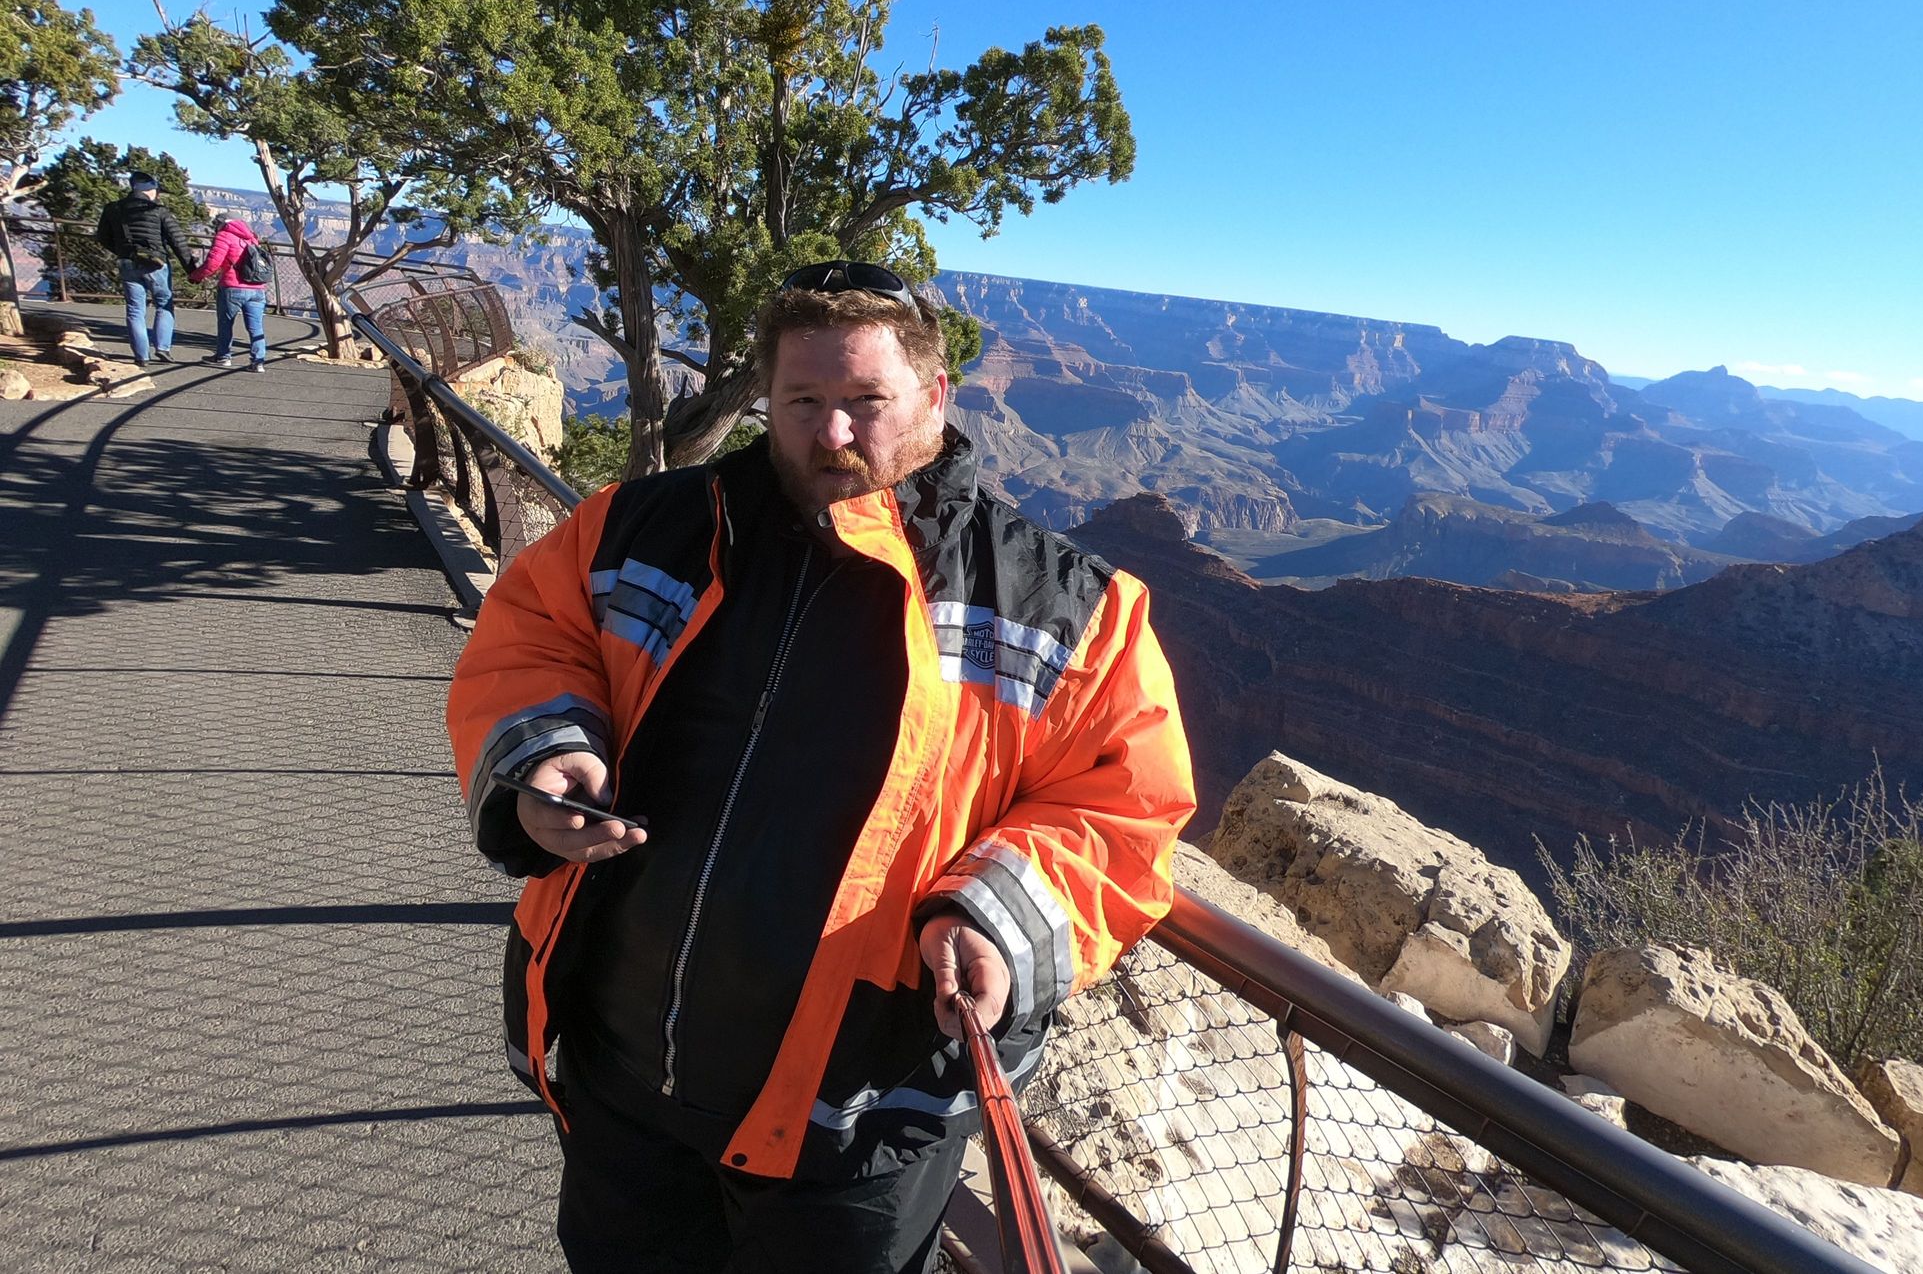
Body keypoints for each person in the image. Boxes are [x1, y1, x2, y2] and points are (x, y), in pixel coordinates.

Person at [447, 262, 1196, 1273]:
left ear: (935, 394)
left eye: (865, 401)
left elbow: (1124, 809)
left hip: (857, 1118)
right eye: (802, 401)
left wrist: (993, 913)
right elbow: (534, 634)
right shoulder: (640, 525)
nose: (832, 432)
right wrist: (551, 751)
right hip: (623, 1079)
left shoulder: (1067, 609)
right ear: (768, 396)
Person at [93, 172, 198, 366]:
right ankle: (163, 347)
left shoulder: (113, 208)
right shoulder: (159, 210)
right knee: (164, 304)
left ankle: (141, 355)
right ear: (150, 190)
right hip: (156, 264)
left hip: (127, 262)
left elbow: (102, 237)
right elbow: (178, 241)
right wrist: (191, 270)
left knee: (135, 309)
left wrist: (122, 252)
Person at [194, 213, 270, 371]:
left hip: (232, 287)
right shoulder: (251, 237)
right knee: (256, 327)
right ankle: (258, 362)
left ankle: (223, 357)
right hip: (257, 288)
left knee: (225, 324)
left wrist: (196, 276)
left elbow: (213, 262)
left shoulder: (224, 236)